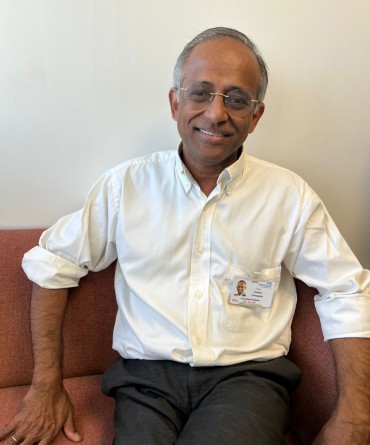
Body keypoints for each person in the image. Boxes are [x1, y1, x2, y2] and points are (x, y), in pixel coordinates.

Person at [0, 27, 369, 445]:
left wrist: (355, 417)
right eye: (200, 92)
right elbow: (52, 266)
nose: (215, 113)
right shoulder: (126, 186)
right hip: (145, 381)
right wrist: (46, 387)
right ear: (175, 102)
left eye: (236, 98)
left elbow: (346, 291)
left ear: (256, 115)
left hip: (247, 379)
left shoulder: (289, 196)